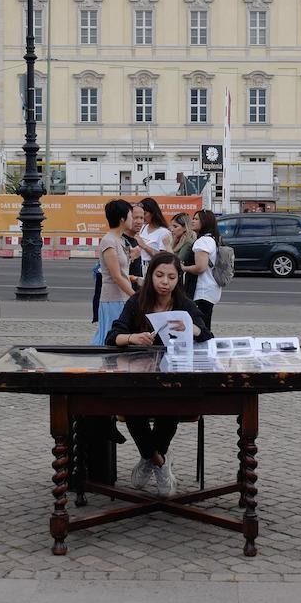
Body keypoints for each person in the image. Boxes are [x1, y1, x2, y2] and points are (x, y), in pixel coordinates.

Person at [106, 251, 213, 496]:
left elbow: (206, 334)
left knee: (172, 404)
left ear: (178, 280)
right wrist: (134, 338)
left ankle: (149, 458)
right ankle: (159, 461)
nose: (165, 282)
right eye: (160, 275)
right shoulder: (137, 302)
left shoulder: (184, 304)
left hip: (173, 376)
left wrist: (192, 328)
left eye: (172, 277)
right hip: (139, 376)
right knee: (131, 406)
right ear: (151, 275)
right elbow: (113, 337)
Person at [92, 199, 138, 346]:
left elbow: (122, 271)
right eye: (131, 216)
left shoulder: (119, 240)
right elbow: (116, 277)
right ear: (122, 219)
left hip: (121, 297)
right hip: (113, 298)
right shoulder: (109, 241)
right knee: (111, 336)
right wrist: (135, 296)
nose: (133, 220)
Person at [181, 208, 222, 330]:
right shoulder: (212, 239)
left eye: (196, 219)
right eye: (193, 218)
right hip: (210, 289)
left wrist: (184, 268)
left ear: (205, 222)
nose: (192, 221)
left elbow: (200, 267)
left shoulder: (203, 241)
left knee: (201, 327)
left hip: (201, 291)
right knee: (204, 325)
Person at [134, 197, 173, 273]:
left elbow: (164, 257)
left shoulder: (164, 232)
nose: (143, 217)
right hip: (139, 266)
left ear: (153, 213)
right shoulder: (143, 227)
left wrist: (144, 246)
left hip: (153, 268)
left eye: (144, 214)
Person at [169, 212, 198, 296]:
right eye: (172, 226)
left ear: (185, 227)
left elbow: (175, 261)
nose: (172, 229)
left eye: (175, 226)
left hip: (185, 283)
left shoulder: (188, 241)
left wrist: (168, 246)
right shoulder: (178, 239)